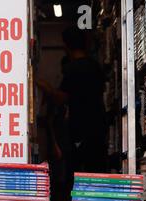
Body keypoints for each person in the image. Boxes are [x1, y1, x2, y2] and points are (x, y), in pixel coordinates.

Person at [37, 26, 107, 175]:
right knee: (96, 172)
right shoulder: (95, 66)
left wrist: (46, 88)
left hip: (81, 130)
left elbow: (62, 98)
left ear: (66, 46)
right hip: (98, 127)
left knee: (77, 174)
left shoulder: (73, 68)